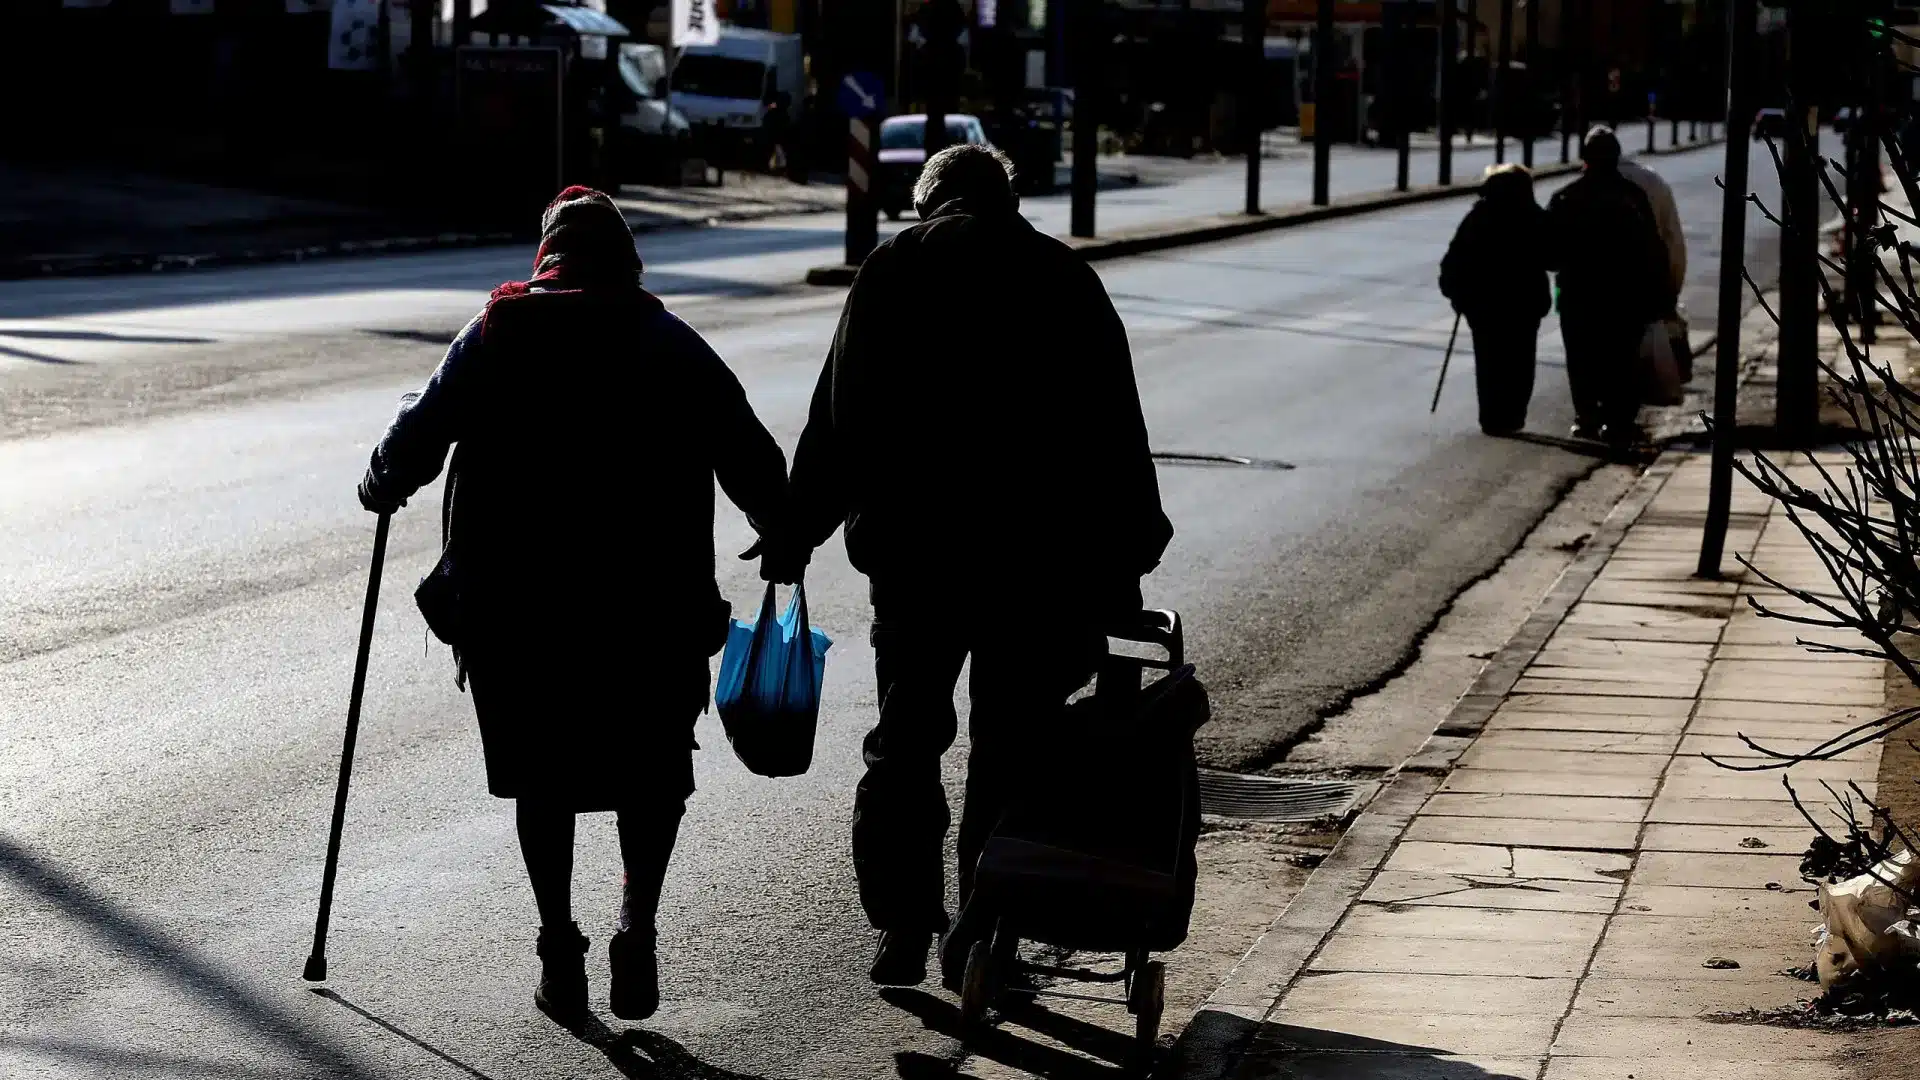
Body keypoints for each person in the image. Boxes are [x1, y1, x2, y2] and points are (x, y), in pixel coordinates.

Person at [356, 187, 791, 1026]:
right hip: (650, 614)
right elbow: (748, 451)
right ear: (626, 262)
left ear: (546, 260)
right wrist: (782, 529)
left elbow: (419, 431)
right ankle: (637, 925)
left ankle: (561, 948)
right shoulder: (668, 340)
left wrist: (383, 478)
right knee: (653, 768)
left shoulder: (495, 333)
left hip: (520, 616)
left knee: (542, 779)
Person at [775, 144, 1173, 989]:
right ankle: (983, 928)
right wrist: (1130, 554)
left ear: (930, 202)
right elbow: (1115, 430)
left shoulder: (895, 268)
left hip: (918, 561)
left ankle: (903, 925)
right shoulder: (1066, 279)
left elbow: (839, 414)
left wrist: (796, 527)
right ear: (1008, 198)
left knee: (906, 741)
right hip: (1041, 566)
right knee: (1010, 747)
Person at [1546, 126, 1675, 445]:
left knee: (1581, 357)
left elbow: (1549, 253)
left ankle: (1587, 417)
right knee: (1622, 360)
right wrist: (1662, 295)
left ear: (1584, 159)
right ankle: (1618, 420)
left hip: (1578, 296)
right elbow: (1654, 249)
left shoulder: (1565, 197)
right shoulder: (1634, 197)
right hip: (1627, 298)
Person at [1439, 164, 1552, 435]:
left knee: (1489, 362)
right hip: (1523, 303)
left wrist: (1459, 296)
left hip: (1484, 305)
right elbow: (1553, 255)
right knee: (1521, 362)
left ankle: (1491, 417)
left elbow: (1453, 262)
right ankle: (1513, 415)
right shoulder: (1532, 216)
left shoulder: (1478, 217)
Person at [1617, 152, 1690, 379]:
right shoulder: (1653, 183)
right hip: (1642, 289)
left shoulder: (1574, 192)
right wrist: (1671, 292)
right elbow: (1673, 243)